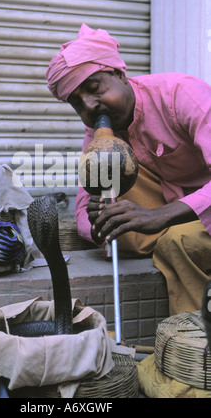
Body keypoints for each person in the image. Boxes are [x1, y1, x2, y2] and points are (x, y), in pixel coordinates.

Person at [46, 23, 211, 316]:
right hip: (173, 209)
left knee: (177, 242)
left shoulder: (180, 93)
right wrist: (97, 223)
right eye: (76, 103)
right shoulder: (99, 130)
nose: (90, 107)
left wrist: (158, 215)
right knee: (111, 180)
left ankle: (194, 341)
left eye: (95, 89)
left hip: (197, 207)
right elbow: (83, 208)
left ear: (120, 74)